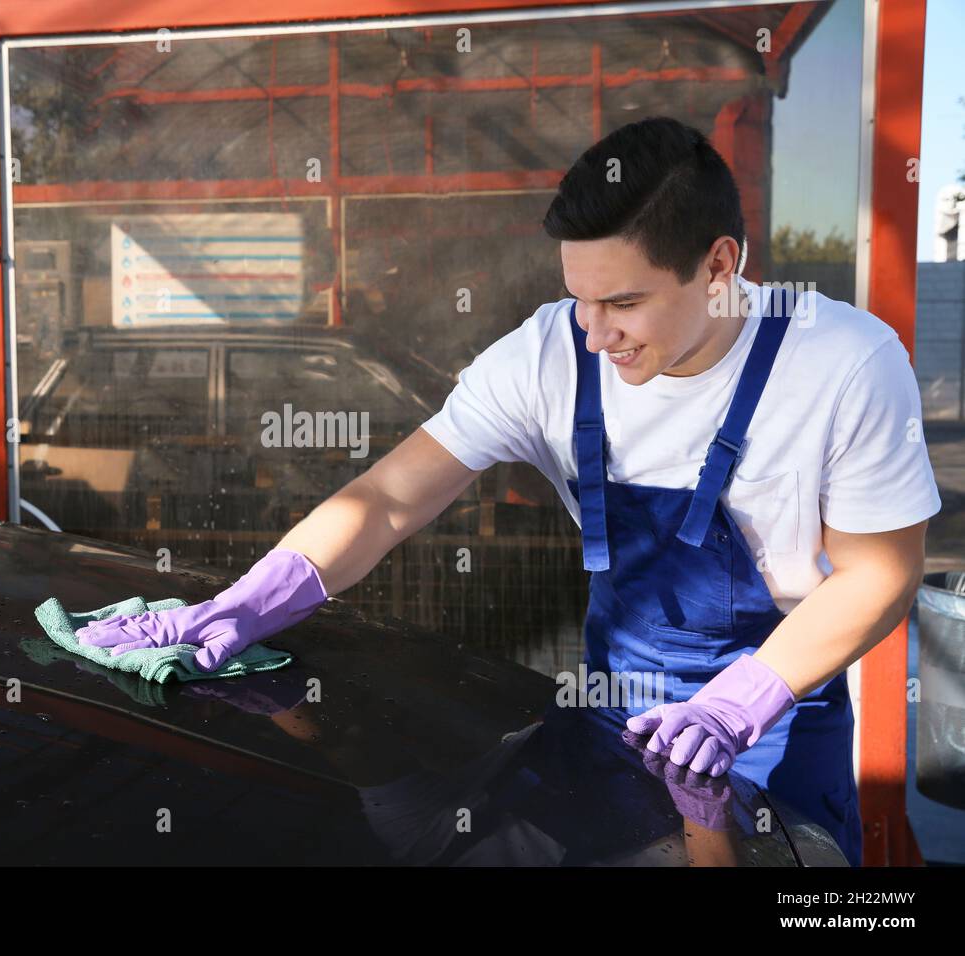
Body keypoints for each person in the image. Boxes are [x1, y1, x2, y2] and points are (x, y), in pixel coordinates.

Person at [74, 116, 939, 868]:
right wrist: (245, 605)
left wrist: (742, 699)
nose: (595, 335)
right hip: (609, 711)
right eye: (579, 299)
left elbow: (880, 573)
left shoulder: (844, 364)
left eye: (625, 303)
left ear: (719, 265)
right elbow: (388, 500)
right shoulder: (549, 353)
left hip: (777, 721)